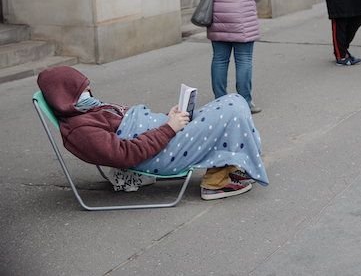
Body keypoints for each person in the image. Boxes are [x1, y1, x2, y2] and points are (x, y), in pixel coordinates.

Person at [37, 66, 268, 200]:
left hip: (163, 136)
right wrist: (169, 127)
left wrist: (167, 120)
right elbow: (126, 154)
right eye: (81, 87)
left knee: (230, 102)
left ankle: (223, 167)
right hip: (162, 152)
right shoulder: (80, 130)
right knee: (234, 108)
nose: (88, 89)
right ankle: (215, 182)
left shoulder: (83, 111)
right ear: (65, 94)